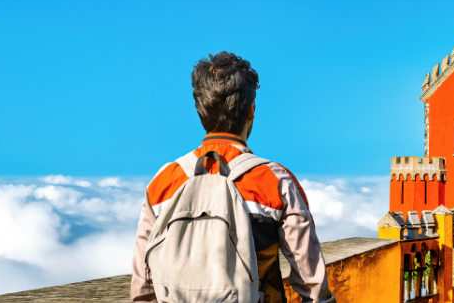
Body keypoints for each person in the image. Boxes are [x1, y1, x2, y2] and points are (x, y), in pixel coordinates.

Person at [131, 52, 335, 303]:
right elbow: (311, 282)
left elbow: (143, 285)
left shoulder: (162, 182)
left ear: (200, 111)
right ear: (251, 111)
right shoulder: (275, 181)